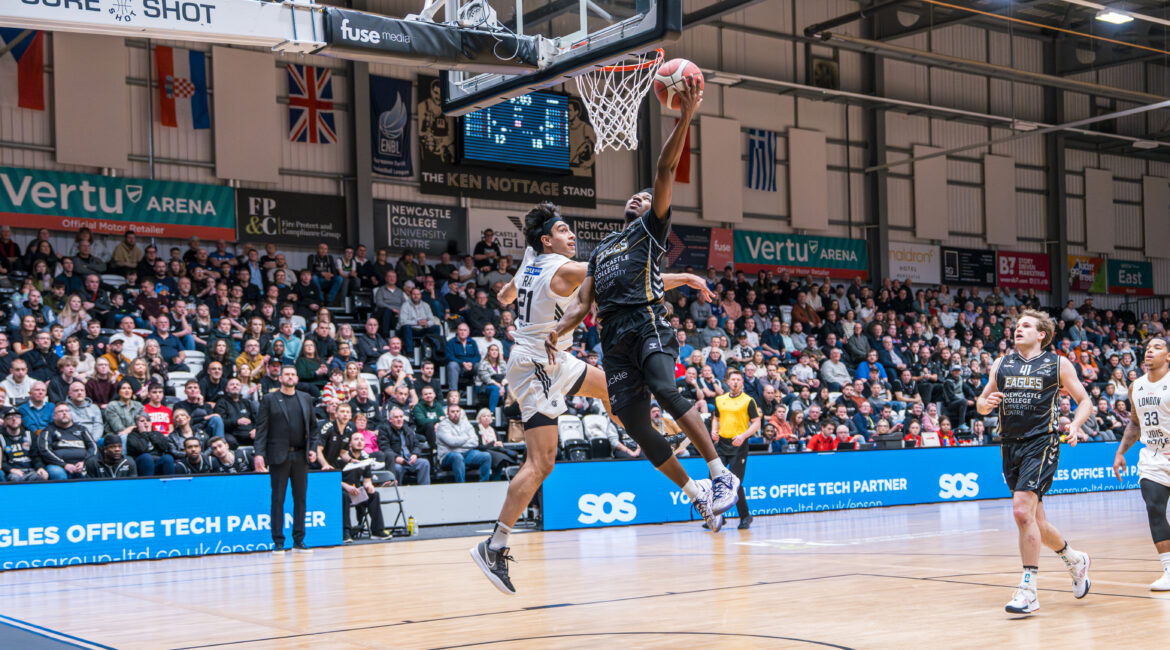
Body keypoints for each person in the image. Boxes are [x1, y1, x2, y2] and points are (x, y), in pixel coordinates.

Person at [548, 77, 740, 537]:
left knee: (666, 389)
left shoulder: (650, 231)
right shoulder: (603, 249)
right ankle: (698, 495)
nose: (641, 197)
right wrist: (559, 331)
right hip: (613, 337)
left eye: (648, 197)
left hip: (648, 319)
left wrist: (685, 116)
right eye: (635, 197)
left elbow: (664, 169)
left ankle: (720, 473)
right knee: (633, 422)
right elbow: (581, 302)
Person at [976, 310, 1093, 614]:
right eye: (1016, 326)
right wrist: (984, 405)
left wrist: (1076, 426)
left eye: (1026, 326)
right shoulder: (1002, 364)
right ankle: (1074, 560)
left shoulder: (1057, 363)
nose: (1018, 329)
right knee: (1035, 521)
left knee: (1020, 510)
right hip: (1009, 445)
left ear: (1042, 334)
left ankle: (1029, 589)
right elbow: (981, 403)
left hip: (1042, 442)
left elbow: (1085, 401)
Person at [1113, 336, 1170, 591]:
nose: (1150, 351)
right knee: (1154, 508)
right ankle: (1169, 569)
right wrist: (1120, 452)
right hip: (1153, 457)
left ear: (1168, 356)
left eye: (1157, 347)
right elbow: (1135, 424)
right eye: (1147, 348)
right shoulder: (1136, 386)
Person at [254, 365, 319, 554]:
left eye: (293, 374)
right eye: (287, 374)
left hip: (301, 455)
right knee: (278, 499)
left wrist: (313, 448)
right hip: (278, 456)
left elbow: (314, 429)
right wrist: (259, 454)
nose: (290, 377)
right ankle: (279, 542)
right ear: (280, 378)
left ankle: (299, 541)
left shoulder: (306, 398)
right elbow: (261, 429)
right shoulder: (269, 399)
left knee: (301, 500)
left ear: (297, 378)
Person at [709, 369, 761, 530]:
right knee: (714, 480)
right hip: (722, 445)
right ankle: (718, 517)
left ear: (742, 382)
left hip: (739, 445)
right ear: (728, 382)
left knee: (735, 483)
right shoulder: (720, 399)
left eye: (738, 379)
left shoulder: (748, 401)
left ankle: (745, 516)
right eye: (733, 379)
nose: (735, 382)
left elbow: (756, 423)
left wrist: (743, 436)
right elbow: (716, 419)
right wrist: (714, 430)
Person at [341, 432, 391, 543]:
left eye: (362, 440)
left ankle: (377, 531)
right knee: (343, 496)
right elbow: (334, 479)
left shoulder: (365, 458)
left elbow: (367, 480)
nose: (359, 442)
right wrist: (347, 487)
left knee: (374, 495)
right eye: (356, 439)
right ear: (350, 443)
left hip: (356, 492)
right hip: (342, 490)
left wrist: (369, 486)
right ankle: (345, 532)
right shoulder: (343, 457)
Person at [37, 402, 97, 480]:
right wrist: (64, 465)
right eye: (60, 411)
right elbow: (45, 450)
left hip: (82, 463)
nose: (64, 413)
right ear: (54, 416)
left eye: (67, 411)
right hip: (57, 465)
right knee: (57, 473)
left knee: (93, 468)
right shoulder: (48, 431)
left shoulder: (81, 429)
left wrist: (85, 462)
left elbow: (93, 446)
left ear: (71, 414)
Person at [436, 403, 491, 482]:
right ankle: (461, 485)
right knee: (457, 457)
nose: (455, 413)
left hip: (467, 453)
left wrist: (458, 442)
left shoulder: (466, 423)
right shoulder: (442, 426)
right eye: (452, 412)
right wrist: (467, 437)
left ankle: (484, 484)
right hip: (448, 455)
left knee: (486, 456)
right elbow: (452, 442)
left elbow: (475, 441)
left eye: (457, 411)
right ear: (448, 414)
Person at [379, 407, 432, 485]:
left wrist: (415, 454)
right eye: (396, 417)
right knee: (397, 468)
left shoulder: (407, 429)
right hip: (396, 461)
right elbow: (384, 447)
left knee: (424, 463)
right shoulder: (384, 430)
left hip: (409, 460)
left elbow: (417, 444)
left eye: (401, 417)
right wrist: (396, 457)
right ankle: (398, 492)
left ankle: (424, 490)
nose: (399, 419)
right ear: (390, 420)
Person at [2, 407, 47, 481]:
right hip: (12, 472)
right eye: (9, 417)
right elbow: (2, 462)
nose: (14, 419)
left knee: (39, 476)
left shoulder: (29, 435)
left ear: (21, 419)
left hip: (30, 470)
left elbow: (35, 456)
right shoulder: (1, 437)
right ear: (4, 421)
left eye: (17, 416)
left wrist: (40, 467)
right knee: (14, 478)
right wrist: (10, 470)